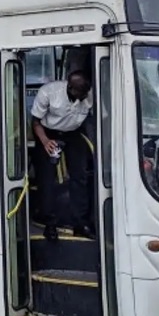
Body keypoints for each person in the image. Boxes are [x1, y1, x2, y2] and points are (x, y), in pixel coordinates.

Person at [31, 70, 94, 241]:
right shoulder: (49, 92)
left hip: (73, 133)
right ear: (70, 87)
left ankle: (80, 223)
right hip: (48, 133)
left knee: (80, 176)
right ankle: (50, 224)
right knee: (47, 179)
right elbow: (36, 121)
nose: (83, 97)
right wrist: (45, 142)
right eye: (79, 92)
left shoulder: (88, 95)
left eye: (85, 92)